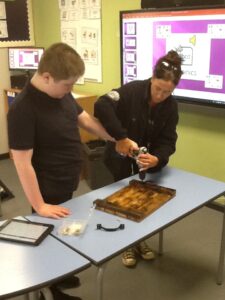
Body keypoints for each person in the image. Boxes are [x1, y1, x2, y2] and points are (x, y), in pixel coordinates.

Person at [7, 42, 114, 300]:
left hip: (66, 177)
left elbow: (83, 119)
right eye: (67, 84)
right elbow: (22, 163)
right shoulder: (22, 108)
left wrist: (112, 136)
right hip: (46, 185)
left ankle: (60, 276)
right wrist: (40, 205)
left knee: (64, 229)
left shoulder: (61, 93)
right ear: (46, 77)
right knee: (48, 235)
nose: (71, 90)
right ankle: (47, 291)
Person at [94, 50, 183, 267]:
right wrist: (121, 137)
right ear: (152, 79)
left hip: (146, 165)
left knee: (143, 205)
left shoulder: (171, 107)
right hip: (120, 161)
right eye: (158, 89)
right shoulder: (131, 91)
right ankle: (126, 245)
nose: (160, 96)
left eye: (167, 92)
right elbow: (101, 104)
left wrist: (158, 159)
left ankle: (140, 240)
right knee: (122, 203)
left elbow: (168, 141)